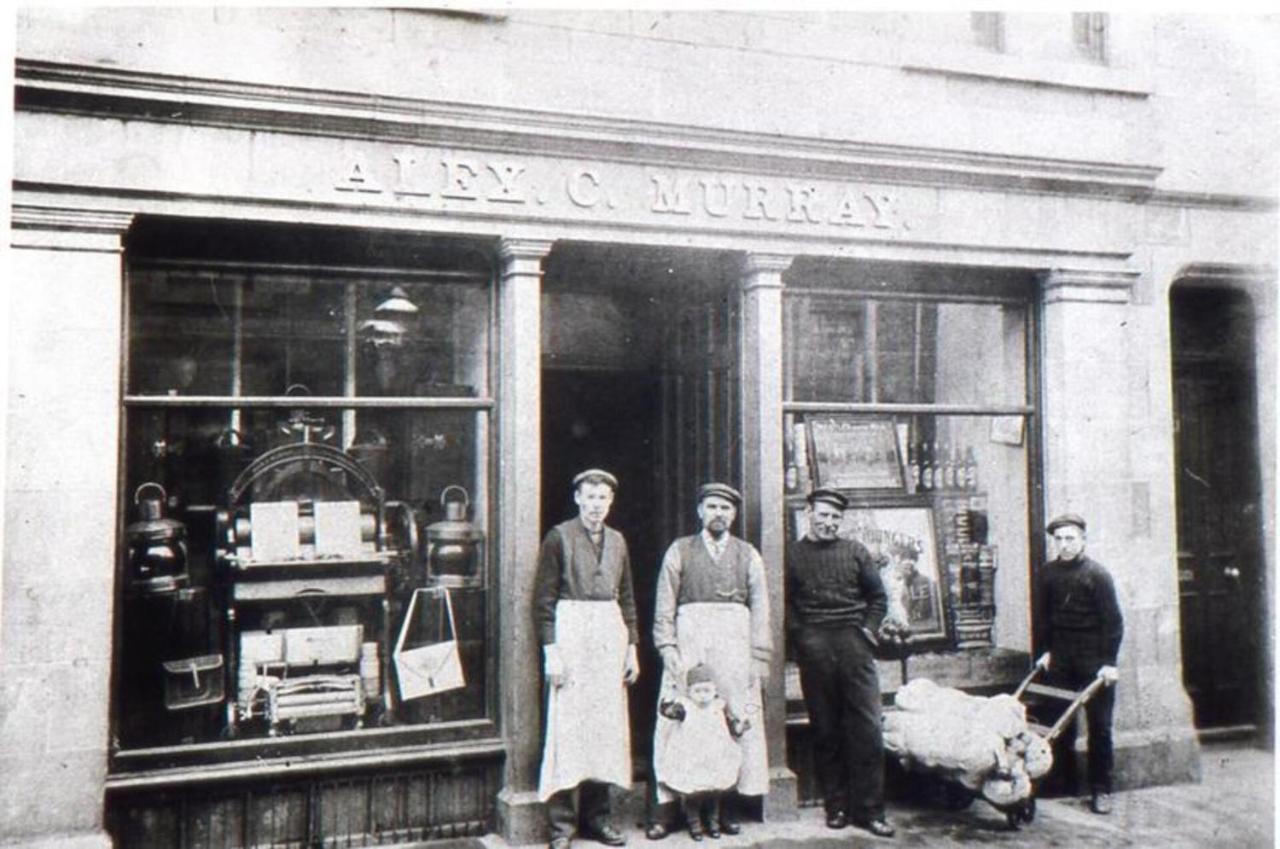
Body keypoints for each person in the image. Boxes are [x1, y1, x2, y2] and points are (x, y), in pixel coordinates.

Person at [649, 483, 770, 839]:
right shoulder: (680, 551)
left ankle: (726, 805)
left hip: (735, 639)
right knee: (677, 717)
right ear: (700, 511)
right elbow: (664, 603)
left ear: (734, 515)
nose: (719, 513)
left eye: (726, 508)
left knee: (732, 719)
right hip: (691, 639)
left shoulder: (748, 554)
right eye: (712, 506)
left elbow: (761, 607)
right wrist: (667, 647)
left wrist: (757, 657)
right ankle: (666, 808)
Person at [533, 469, 642, 849]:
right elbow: (543, 602)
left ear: (611, 502)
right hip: (572, 632)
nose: (596, 505)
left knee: (604, 730)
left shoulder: (618, 541)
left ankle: (598, 819)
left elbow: (627, 598)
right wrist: (552, 652)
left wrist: (632, 649)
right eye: (590, 497)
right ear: (578, 498)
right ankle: (562, 827)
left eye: (603, 498)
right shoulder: (558, 537)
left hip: (608, 634)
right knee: (569, 729)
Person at [785, 487, 895, 839]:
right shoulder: (792, 554)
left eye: (835, 517)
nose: (829, 522)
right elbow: (785, 603)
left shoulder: (855, 552)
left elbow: (878, 598)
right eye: (823, 515)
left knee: (867, 729)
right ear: (809, 513)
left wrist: (866, 632)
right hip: (815, 646)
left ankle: (871, 811)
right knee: (826, 728)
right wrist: (803, 636)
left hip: (853, 644)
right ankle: (837, 808)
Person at [1033, 512, 1123, 816]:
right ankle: (1062, 781)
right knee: (1058, 722)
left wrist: (1109, 662)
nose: (1065, 544)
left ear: (1083, 540)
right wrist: (1044, 651)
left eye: (1070, 538)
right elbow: (1042, 618)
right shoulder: (1047, 574)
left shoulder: (1097, 575)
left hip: (1094, 660)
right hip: (1061, 657)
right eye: (1059, 539)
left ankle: (1102, 790)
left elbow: (1113, 622)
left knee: (1099, 727)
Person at [655, 663, 750, 841]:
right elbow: (669, 713)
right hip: (693, 758)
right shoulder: (685, 707)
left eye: (706, 691)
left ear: (714, 691)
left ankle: (713, 824)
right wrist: (667, 702)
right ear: (689, 692)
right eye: (697, 691)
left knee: (714, 793)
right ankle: (695, 826)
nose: (702, 696)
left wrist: (740, 727)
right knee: (694, 795)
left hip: (714, 757)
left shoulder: (719, 706)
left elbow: (732, 727)